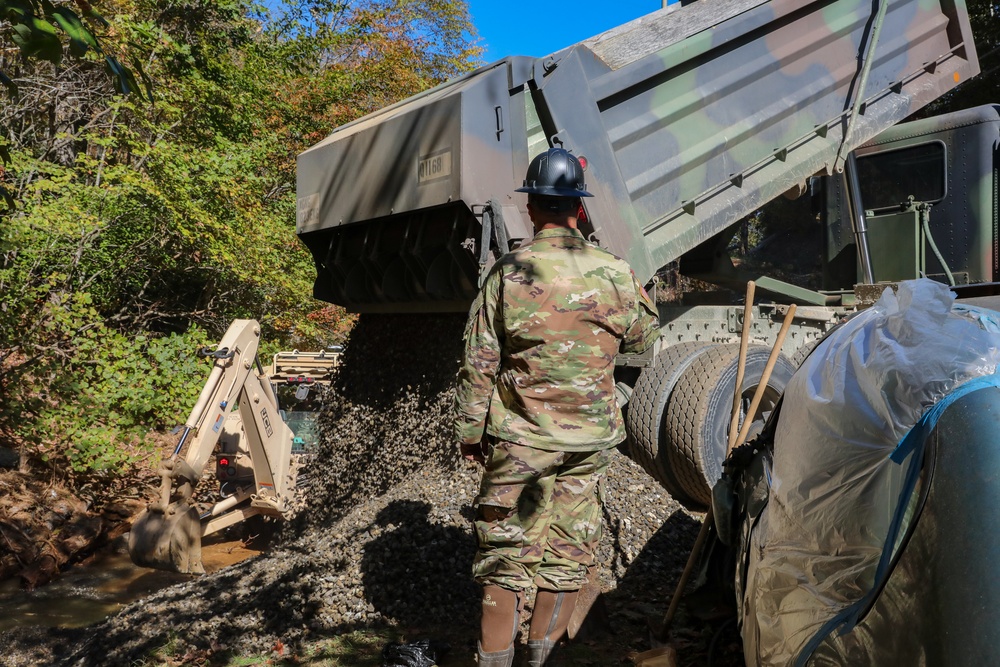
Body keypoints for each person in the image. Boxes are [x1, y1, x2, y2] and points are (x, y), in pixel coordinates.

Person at [454, 147, 660, 666]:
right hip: (589, 443)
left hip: (523, 441)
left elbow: (480, 359)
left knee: (505, 558)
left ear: (532, 207)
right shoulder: (616, 272)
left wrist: (471, 431)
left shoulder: (511, 271)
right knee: (567, 555)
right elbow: (642, 342)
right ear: (579, 208)